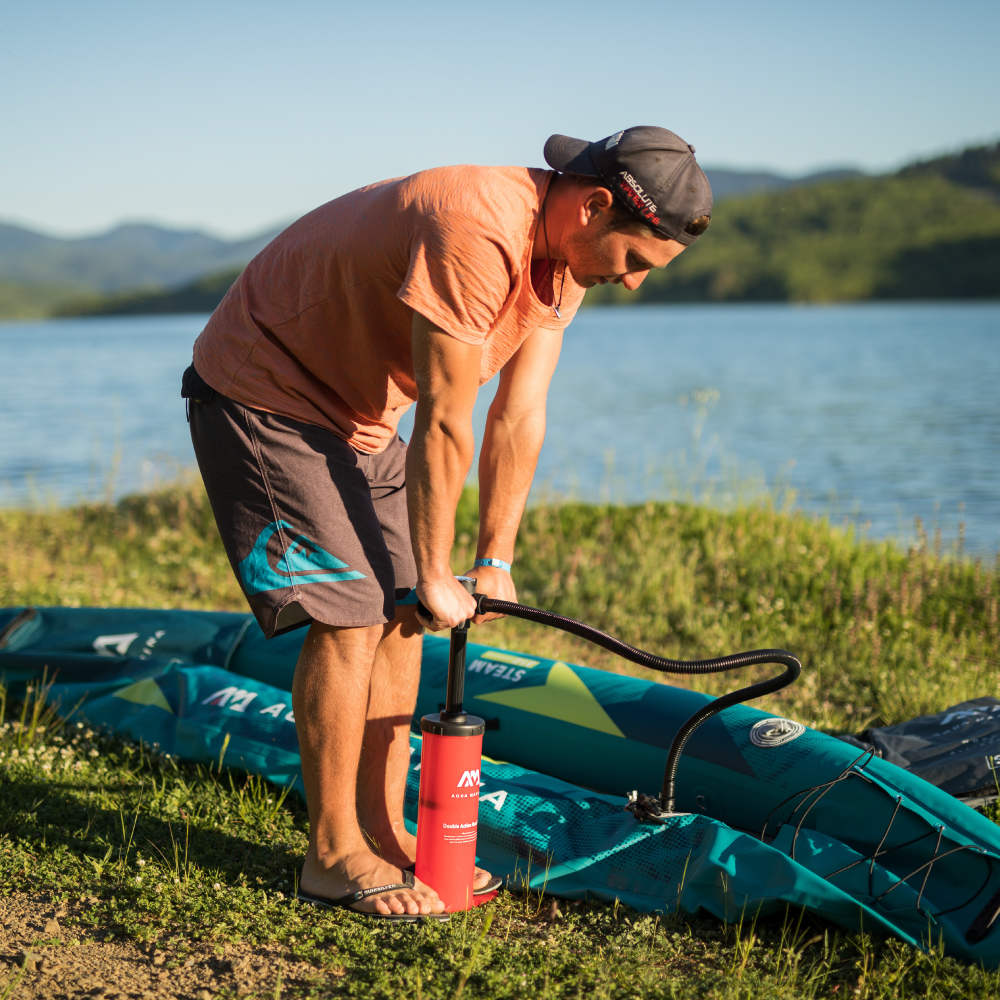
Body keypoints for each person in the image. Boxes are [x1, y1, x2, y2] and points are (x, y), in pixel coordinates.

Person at [182, 126, 712, 920]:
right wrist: (435, 569)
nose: (633, 282)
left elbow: (519, 415)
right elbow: (444, 414)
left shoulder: (562, 264)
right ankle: (331, 855)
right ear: (594, 206)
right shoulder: (475, 225)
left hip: (360, 420)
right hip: (261, 396)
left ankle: (381, 831)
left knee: (403, 617)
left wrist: (494, 558)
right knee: (350, 617)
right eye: (635, 259)